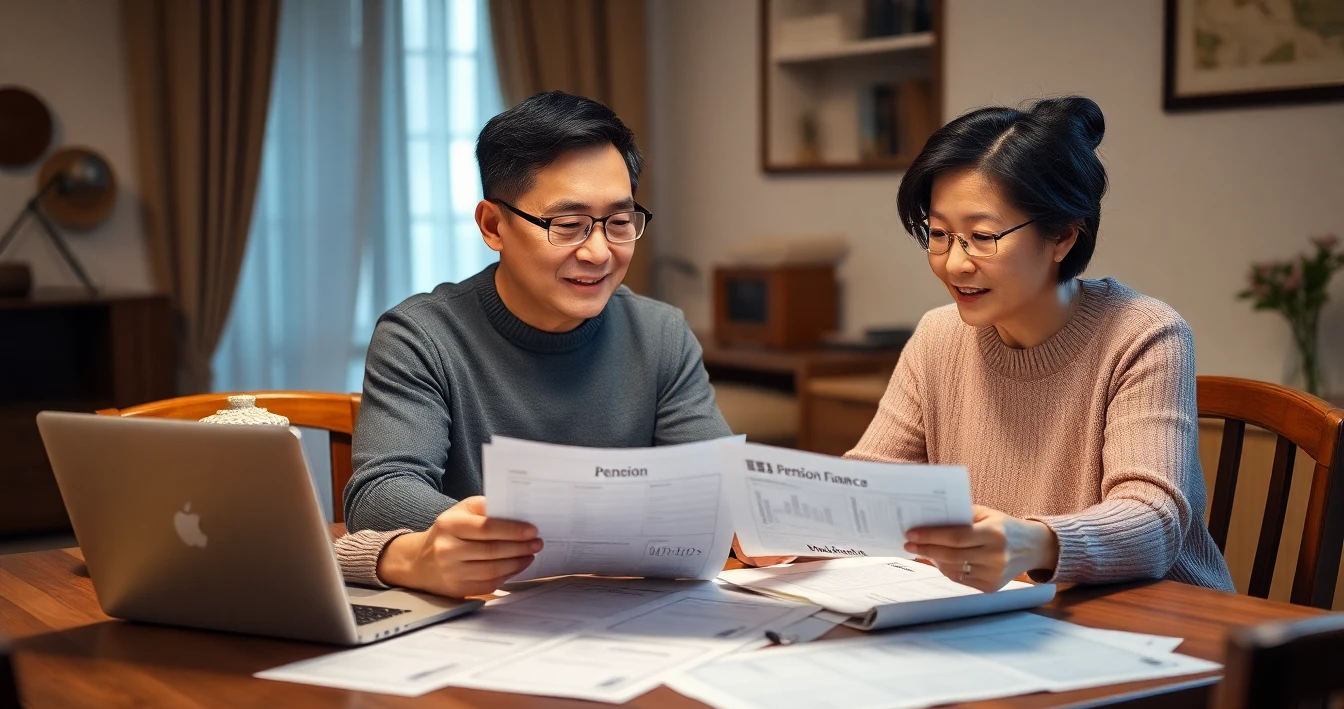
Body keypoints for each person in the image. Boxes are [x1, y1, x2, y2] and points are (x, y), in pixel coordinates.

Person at [334, 91, 782, 599]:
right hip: (486, 609)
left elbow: (715, 486)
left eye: (619, 222)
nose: (598, 252)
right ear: (493, 225)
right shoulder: (421, 336)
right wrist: (506, 538)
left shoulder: (659, 333)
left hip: (629, 615)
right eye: (567, 225)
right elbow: (380, 494)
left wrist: (752, 517)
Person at [844, 96, 1234, 593]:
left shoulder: (1144, 334)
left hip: (1156, 621)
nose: (954, 263)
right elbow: (874, 480)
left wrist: (1035, 543)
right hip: (1010, 616)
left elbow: (1152, 522)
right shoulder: (938, 336)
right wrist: (799, 527)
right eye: (939, 234)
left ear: (1062, 237)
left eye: (982, 237)